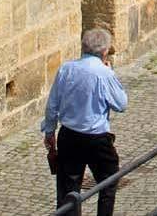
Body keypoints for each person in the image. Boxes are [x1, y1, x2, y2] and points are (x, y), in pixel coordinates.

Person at [42, 27, 128, 216]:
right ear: (105, 52)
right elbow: (121, 104)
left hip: (69, 136)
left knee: (68, 190)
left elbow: (52, 105)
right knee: (108, 182)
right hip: (97, 139)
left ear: (82, 47)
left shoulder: (66, 69)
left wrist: (49, 132)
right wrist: (110, 72)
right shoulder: (104, 74)